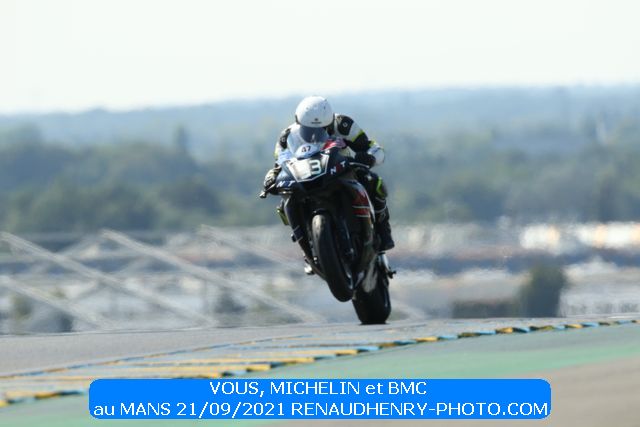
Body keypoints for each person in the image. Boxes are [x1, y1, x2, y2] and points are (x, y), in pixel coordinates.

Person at [262, 96, 395, 252]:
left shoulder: (344, 125)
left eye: (323, 130)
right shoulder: (286, 137)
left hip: (341, 169)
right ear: (299, 124)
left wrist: (370, 157)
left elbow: (372, 147)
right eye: (308, 130)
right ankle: (305, 238)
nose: (315, 135)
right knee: (284, 202)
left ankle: (383, 230)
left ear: (331, 123)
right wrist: (271, 177)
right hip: (303, 176)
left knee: (373, 181)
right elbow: (279, 164)